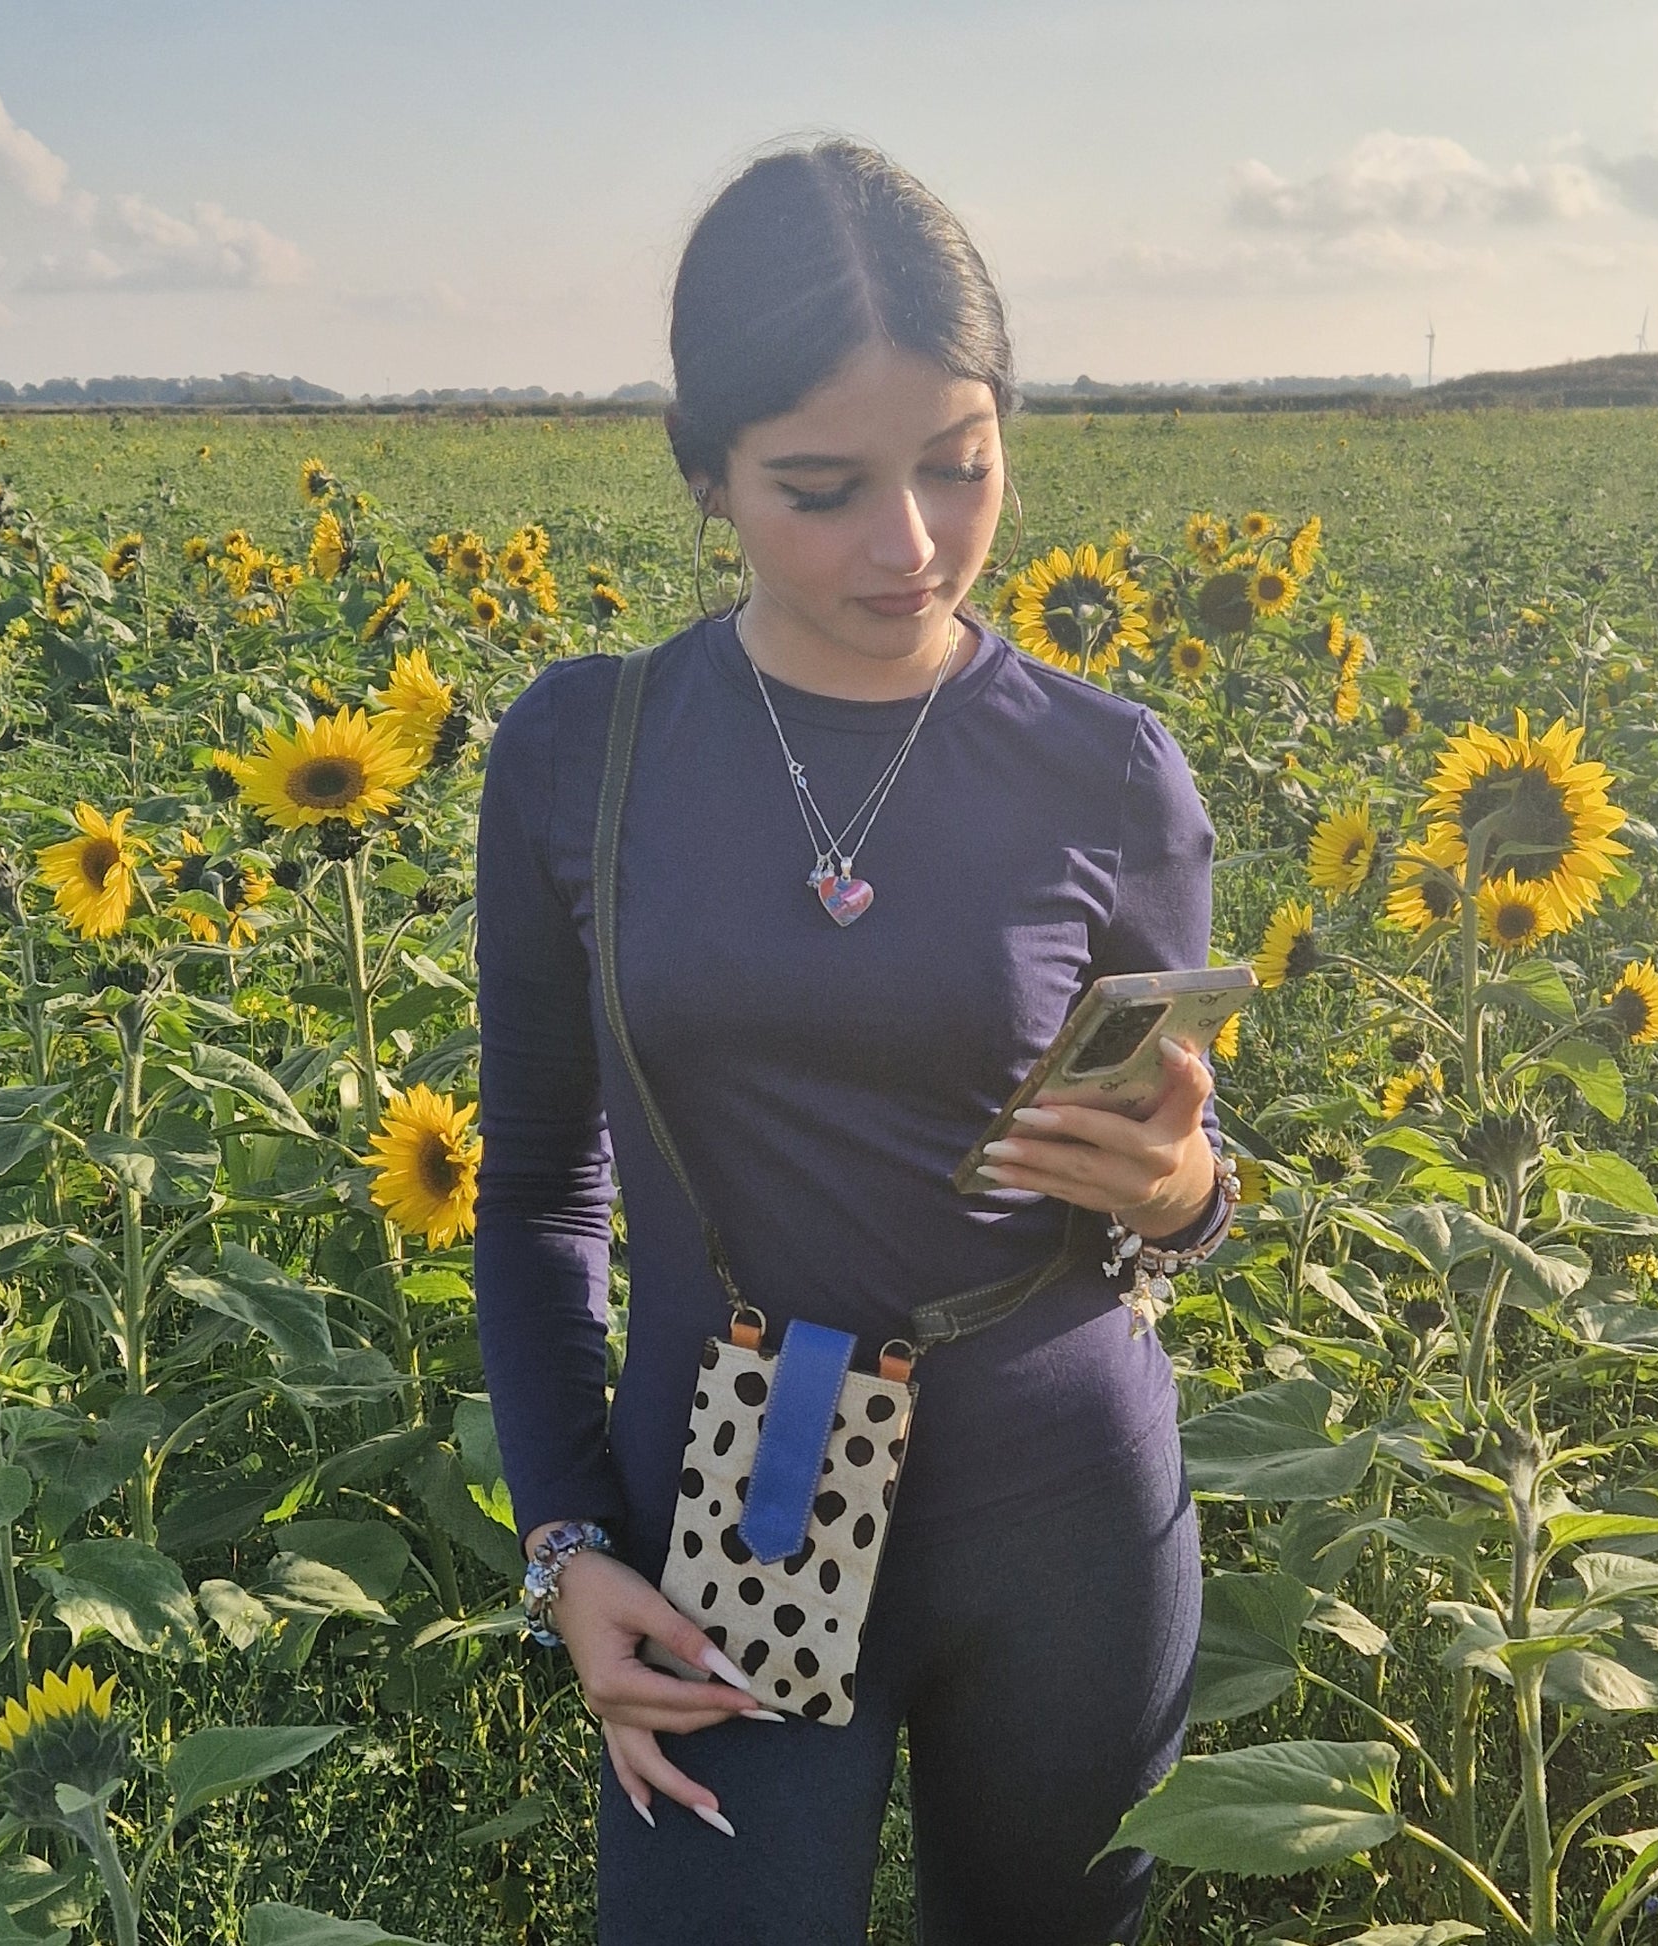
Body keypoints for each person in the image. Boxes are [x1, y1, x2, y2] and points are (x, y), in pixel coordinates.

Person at [473, 135, 1236, 1946]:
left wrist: (1188, 1181)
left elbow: (1175, 1190)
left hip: (1063, 1515)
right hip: (722, 1515)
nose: (909, 547)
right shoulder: (585, 750)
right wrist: (569, 1544)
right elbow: (534, 1196)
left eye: (959, 468)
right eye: (820, 486)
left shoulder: (1107, 769)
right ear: (704, 476)